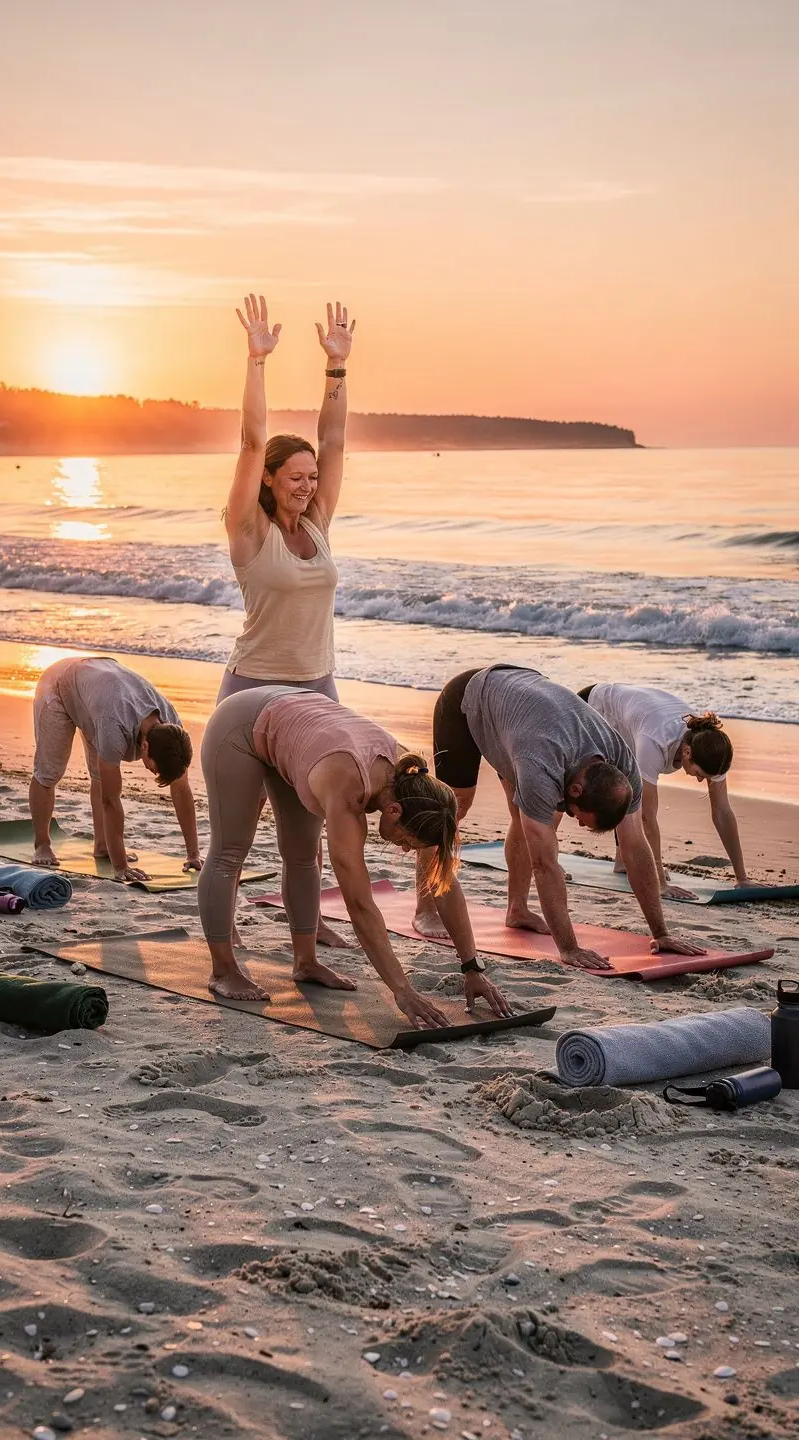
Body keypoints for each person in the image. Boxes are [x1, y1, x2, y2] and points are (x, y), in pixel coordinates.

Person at [197, 686, 513, 1028]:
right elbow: (360, 905)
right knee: (230, 851)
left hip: (299, 730)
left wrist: (472, 966)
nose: (406, 850)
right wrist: (402, 991)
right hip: (240, 724)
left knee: (302, 854)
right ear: (393, 811)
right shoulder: (349, 791)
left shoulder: (414, 783)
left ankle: (306, 961)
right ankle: (223, 970)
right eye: (407, 842)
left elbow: (443, 880)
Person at [415, 664, 705, 972]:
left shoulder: (623, 765)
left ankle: (517, 909)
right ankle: (424, 908)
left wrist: (661, 933)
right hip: (469, 699)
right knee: (452, 809)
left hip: (522, 712)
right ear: (576, 789)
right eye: (581, 818)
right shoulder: (540, 765)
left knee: (522, 814)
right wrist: (568, 947)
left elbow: (635, 846)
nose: (578, 824)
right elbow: (545, 863)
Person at [220, 292, 354, 947]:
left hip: (317, 685)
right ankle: (227, 931)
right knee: (241, 830)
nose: (306, 484)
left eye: (310, 477)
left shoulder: (320, 524)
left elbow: (333, 441)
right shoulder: (248, 532)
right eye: (293, 477)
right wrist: (256, 360)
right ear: (269, 480)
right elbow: (250, 439)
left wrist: (336, 370)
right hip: (253, 689)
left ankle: (310, 923)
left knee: (315, 821)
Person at [30, 656, 200, 882]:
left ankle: (103, 846)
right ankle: (42, 844)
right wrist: (121, 867)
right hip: (58, 685)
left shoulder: (173, 728)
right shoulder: (114, 726)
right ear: (145, 746)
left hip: (96, 688)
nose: (154, 774)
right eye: (155, 769)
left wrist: (193, 854)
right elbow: (110, 800)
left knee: (101, 775)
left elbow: (181, 789)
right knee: (49, 771)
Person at [579, 683, 749, 899]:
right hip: (594, 707)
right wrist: (659, 883)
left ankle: (623, 860)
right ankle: (548, 858)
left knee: (627, 783)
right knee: (572, 779)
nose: (700, 780)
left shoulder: (711, 747)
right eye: (700, 774)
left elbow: (722, 811)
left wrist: (742, 878)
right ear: (687, 752)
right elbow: (647, 816)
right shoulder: (656, 741)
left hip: (631, 720)